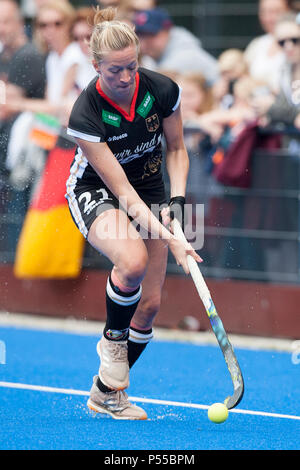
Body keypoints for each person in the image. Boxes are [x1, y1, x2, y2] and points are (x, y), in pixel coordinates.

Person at [66, 6, 201, 420]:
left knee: (150, 305)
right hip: (96, 190)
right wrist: (177, 241)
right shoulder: (85, 112)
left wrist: (178, 203)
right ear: (95, 66)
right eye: (114, 71)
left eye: (132, 67)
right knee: (132, 262)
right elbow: (121, 191)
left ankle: (106, 393)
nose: (125, 79)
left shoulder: (162, 90)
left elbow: (177, 150)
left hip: (152, 191)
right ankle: (111, 342)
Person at [132, 7, 219, 85]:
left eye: (150, 35)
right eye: (140, 35)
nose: (143, 42)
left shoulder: (184, 54)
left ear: (167, 32)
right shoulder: (156, 55)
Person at [244, 0, 291, 92]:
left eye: (276, 11)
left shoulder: (295, 44)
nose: (269, 18)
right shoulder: (257, 44)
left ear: (289, 11)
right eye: (264, 12)